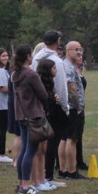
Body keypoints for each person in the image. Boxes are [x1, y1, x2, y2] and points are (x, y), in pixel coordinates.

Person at [31, 30, 68, 185]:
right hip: (53, 104)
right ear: (57, 41)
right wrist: (65, 106)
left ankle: (42, 175)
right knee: (53, 141)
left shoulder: (36, 57)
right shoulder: (56, 61)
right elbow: (61, 85)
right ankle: (48, 176)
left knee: (42, 143)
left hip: (39, 102)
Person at [11, 44, 47, 194]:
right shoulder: (31, 75)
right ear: (27, 56)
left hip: (20, 114)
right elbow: (43, 95)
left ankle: (21, 182)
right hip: (32, 114)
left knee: (24, 150)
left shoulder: (15, 74)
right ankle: (26, 185)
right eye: (31, 54)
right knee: (30, 151)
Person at [59, 40, 87, 178]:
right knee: (72, 139)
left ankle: (62, 170)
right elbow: (72, 88)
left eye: (80, 49)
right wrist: (78, 106)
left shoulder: (65, 65)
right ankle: (71, 171)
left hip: (66, 107)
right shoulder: (68, 66)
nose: (79, 52)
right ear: (68, 51)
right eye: (76, 49)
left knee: (64, 138)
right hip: (73, 108)